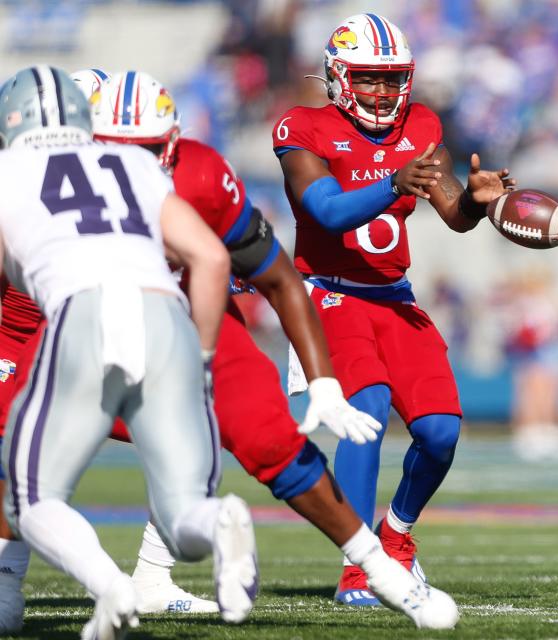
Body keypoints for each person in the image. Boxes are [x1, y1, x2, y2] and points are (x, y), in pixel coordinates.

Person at [0, 64, 257, 639]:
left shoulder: (12, 170)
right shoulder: (137, 164)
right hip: (159, 319)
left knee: (30, 491)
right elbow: (213, 258)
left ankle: (94, 585)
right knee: (186, 488)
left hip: (73, 322)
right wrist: (207, 362)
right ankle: (212, 526)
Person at [273, 13, 513, 605]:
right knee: (368, 412)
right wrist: (393, 183)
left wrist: (478, 203)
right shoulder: (303, 127)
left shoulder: (422, 123)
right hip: (331, 293)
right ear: (337, 76)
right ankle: (360, 569)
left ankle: (397, 536)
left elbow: (452, 211)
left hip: (395, 297)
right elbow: (325, 212)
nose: (382, 92)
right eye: (368, 78)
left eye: (390, 79)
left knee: (440, 433)